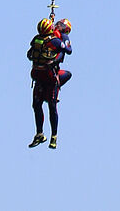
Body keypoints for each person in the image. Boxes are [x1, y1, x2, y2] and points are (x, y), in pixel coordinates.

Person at [27, 17, 72, 149]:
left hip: (39, 79)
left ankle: (40, 133)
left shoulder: (36, 40)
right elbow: (68, 50)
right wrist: (63, 41)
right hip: (50, 79)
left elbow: (29, 55)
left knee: (37, 105)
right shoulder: (55, 41)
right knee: (51, 106)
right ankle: (53, 136)